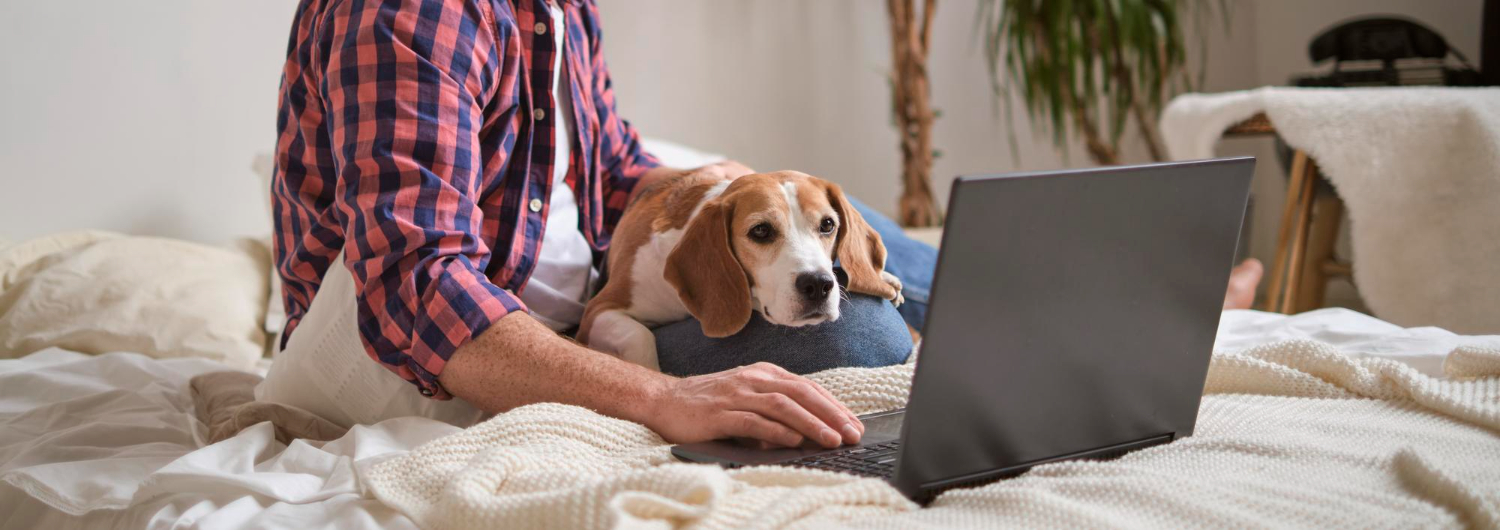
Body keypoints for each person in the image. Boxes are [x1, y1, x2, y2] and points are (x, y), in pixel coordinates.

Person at [259, 0, 1262, 451]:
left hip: (562, 308)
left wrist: (725, 186)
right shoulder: (407, 13)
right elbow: (418, 292)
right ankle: (1097, 314)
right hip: (424, 362)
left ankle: (1109, 307)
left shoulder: (553, 10)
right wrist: (659, 396)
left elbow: (608, 168)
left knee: (831, 226)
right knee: (863, 331)